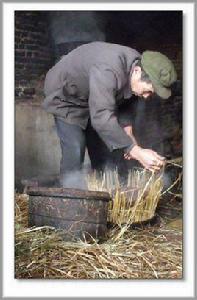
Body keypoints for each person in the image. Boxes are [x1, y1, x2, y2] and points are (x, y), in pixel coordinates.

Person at [43, 41, 177, 187]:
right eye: (147, 91)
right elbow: (101, 117)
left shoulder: (141, 65)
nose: (146, 96)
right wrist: (135, 151)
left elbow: (126, 102)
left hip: (94, 96)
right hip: (66, 96)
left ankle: (101, 192)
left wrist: (129, 136)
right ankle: (67, 196)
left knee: (102, 146)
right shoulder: (108, 70)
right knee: (75, 146)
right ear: (137, 71)